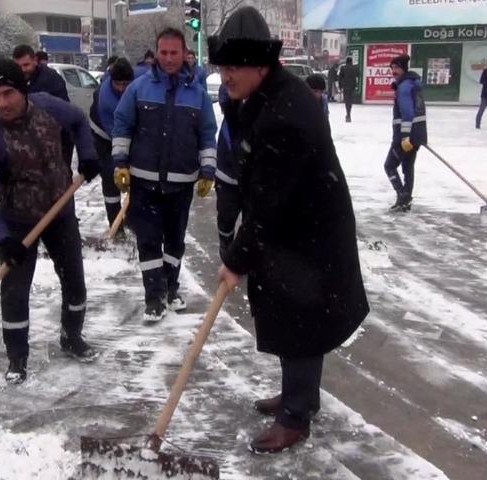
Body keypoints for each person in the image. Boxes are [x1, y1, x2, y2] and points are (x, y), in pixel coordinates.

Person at [208, 6, 369, 454]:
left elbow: (268, 204)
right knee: (290, 317)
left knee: (300, 318)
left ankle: (295, 417)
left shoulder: (285, 113)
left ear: (262, 64)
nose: (226, 76)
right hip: (297, 228)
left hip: (309, 234)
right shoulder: (264, 97)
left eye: (235, 67)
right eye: (223, 66)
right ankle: (300, 394)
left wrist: (236, 258)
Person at [0, 59, 101, 385]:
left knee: (74, 280)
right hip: (17, 222)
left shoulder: (47, 107)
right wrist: (2, 238)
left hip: (60, 210)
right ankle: (17, 357)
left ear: (23, 91)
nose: (2, 103)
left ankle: (72, 336)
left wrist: (87, 154)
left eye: (8, 93)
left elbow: (80, 120)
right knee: (14, 293)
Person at [112, 28, 217, 322]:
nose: (169, 58)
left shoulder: (197, 94)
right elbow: (122, 126)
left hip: (181, 183)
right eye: (164, 52)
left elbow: (208, 134)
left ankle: (171, 289)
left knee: (174, 242)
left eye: (174, 52)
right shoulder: (139, 88)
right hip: (144, 180)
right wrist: (120, 163)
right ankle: (153, 298)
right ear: (156, 53)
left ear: (184, 54)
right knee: (148, 240)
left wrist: (208, 170)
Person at [90, 58, 134, 230]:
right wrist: (121, 163)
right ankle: (116, 226)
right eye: (118, 84)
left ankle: (132, 221)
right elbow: (116, 132)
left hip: (125, 134)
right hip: (103, 137)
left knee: (136, 177)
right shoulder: (106, 97)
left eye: (126, 83)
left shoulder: (137, 88)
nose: (122, 88)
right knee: (111, 177)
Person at [13, 44, 74, 167]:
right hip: (29, 141)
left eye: (26, 65)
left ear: (35, 60)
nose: (23, 70)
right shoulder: (15, 80)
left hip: (56, 139)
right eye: (19, 66)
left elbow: (63, 111)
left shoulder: (51, 79)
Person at [384, 54, 427, 212]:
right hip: (418, 133)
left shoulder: (404, 87)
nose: (393, 71)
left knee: (389, 166)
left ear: (403, 68)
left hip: (406, 135)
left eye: (396, 68)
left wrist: (404, 136)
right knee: (408, 166)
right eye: (392, 68)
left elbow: (407, 114)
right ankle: (406, 200)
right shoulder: (414, 84)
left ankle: (402, 196)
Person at [214, 85, 240, 260]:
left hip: (253, 180)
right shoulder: (231, 120)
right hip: (227, 175)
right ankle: (226, 244)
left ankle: (248, 255)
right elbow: (225, 94)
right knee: (226, 216)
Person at [338, 56, 358, 122]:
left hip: (345, 86)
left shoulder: (343, 68)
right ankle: (349, 114)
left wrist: (340, 86)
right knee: (350, 101)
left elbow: (340, 77)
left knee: (347, 101)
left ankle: (348, 114)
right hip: (352, 86)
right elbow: (358, 74)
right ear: (351, 61)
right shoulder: (354, 68)